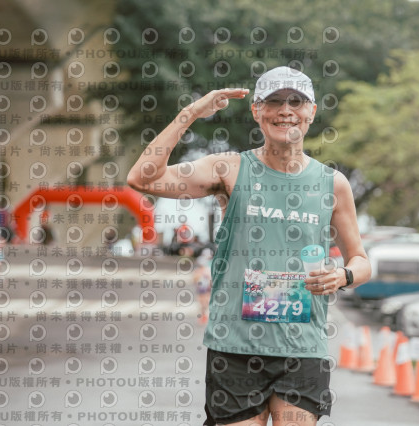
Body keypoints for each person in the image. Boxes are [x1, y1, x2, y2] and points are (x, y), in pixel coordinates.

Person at [127, 66, 371, 426]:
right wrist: (190, 113)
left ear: (311, 111)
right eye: (274, 101)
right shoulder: (229, 169)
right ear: (257, 111)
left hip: (302, 346)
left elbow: (361, 261)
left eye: (296, 101)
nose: (285, 110)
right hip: (235, 346)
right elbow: (142, 178)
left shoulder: (332, 184)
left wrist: (342, 276)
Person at [193, 248, 213, 324]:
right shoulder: (198, 271)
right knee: (202, 303)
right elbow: (194, 279)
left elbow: (210, 279)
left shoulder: (208, 269)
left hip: (206, 288)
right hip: (201, 288)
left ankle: (205, 316)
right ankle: (203, 316)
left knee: (206, 302)